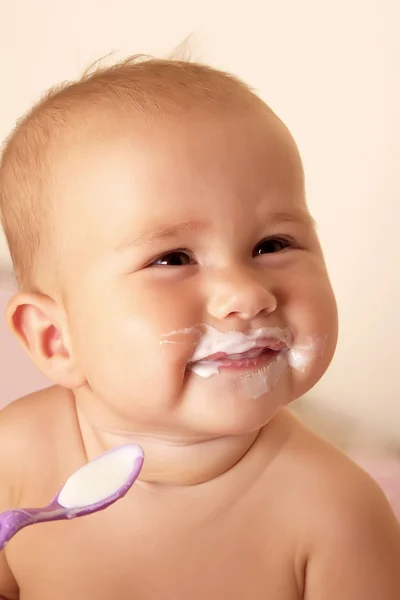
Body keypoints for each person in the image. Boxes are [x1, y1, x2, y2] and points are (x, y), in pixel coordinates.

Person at [0, 56, 399, 600]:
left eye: (272, 245)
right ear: (55, 338)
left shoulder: (337, 514)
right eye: (172, 259)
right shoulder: (16, 457)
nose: (247, 294)